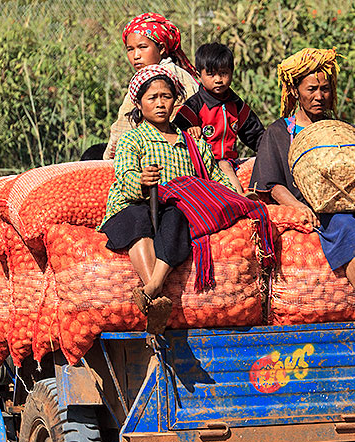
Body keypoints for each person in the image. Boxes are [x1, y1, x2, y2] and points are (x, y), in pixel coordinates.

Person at [249, 48, 355, 345]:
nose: (319, 96)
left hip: (353, 202)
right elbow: (272, 184)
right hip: (319, 208)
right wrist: (297, 206)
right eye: (311, 89)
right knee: (344, 227)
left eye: (325, 89)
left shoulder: (340, 130)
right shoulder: (278, 132)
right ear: (295, 92)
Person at [98, 65, 239, 334]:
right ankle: (158, 300)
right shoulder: (133, 139)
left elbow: (214, 179)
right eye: (152, 98)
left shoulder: (193, 143)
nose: (160, 104)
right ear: (139, 104)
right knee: (139, 220)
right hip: (133, 207)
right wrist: (141, 181)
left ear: (175, 101)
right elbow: (125, 175)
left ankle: (152, 289)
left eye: (166, 96)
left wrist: (235, 196)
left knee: (178, 216)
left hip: (173, 209)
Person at [103, 12, 200, 160]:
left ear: (161, 48)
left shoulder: (148, 80)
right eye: (130, 49)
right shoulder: (183, 74)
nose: (136, 55)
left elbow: (123, 128)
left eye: (142, 47)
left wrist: (109, 158)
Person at [174, 42, 265, 194]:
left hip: (228, 160)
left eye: (223, 73)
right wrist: (188, 132)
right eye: (211, 74)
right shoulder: (194, 104)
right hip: (201, 162)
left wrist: (271, 152)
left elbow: (255, 135)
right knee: (223, 166)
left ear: (232, 73)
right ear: (199, 75)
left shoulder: (236, 104)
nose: (218, 79)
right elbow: (174, 131)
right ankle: (241, 196)